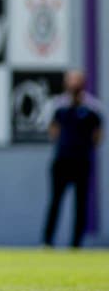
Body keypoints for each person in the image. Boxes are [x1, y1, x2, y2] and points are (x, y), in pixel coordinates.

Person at [42, 69, 103, 248]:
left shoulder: (92, 109)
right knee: (55, 202)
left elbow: (98, 137)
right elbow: (53, 131)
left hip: (81, 162)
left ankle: (76, 244)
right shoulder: (60, 107)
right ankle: (47, 241)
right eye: (71, 81)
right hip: (62, 161)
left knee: (80, 204)